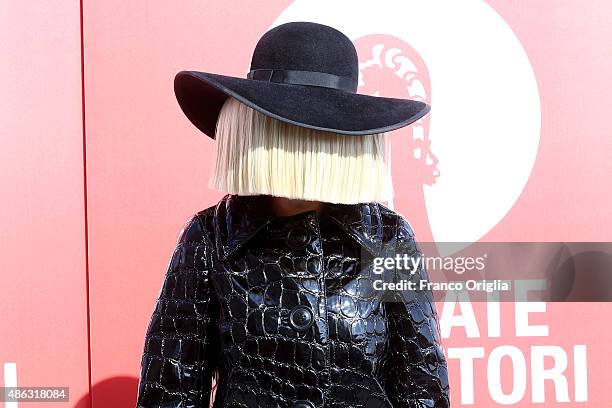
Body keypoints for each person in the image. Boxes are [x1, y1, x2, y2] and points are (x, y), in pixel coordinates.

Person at [135, 21, 449, 408]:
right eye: (288, 123)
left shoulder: (387, 236)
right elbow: (173, 391)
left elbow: (421, 385)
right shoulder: (210, 238)